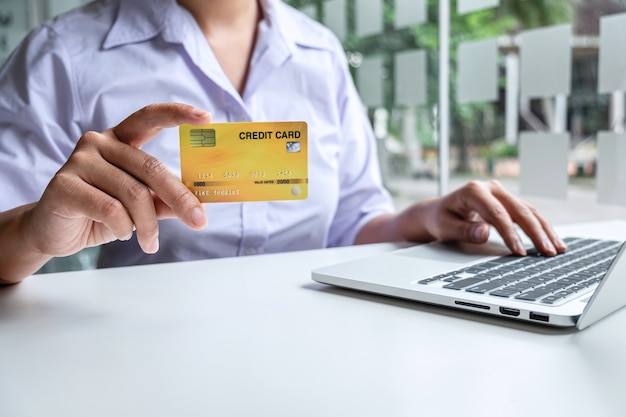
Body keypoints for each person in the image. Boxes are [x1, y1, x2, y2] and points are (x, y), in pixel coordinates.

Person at [0, 0, 566, 285]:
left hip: (316, 345)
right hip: (146, 358)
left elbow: (354, 225)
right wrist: (30, 230)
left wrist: (430, 215)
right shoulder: (63, 56)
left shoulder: (320, 53)